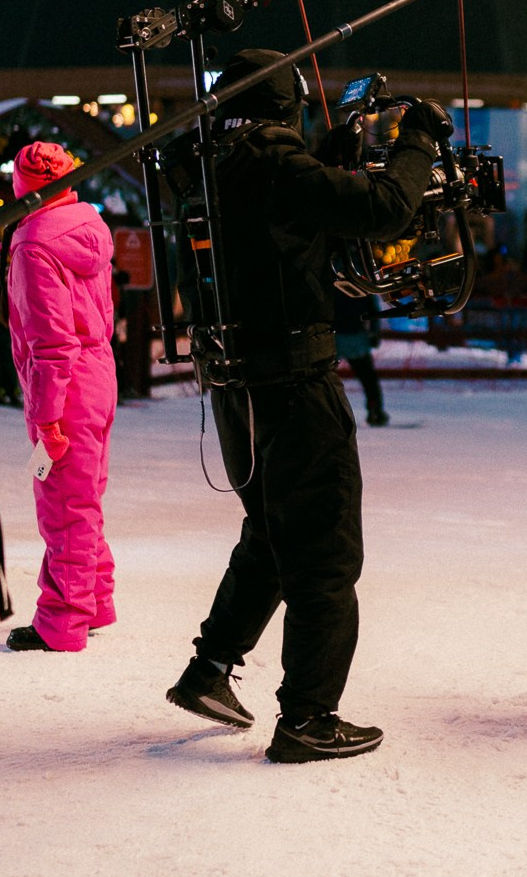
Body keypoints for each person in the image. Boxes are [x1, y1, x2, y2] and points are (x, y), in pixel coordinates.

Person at [163, 48, 448, 762]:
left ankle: (210, 667)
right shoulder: (269, 162)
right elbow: (384, 210)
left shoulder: (208, 162)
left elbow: (283, 215)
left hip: (237, 385)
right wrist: (415, 141)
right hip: (292, 381)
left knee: (271, 528)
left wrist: (332, 152)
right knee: (323, 548)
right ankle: (308, 716)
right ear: (280, 107)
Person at [3, 140, 119, 652]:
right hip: (98, 375)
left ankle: (62, 622)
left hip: (64, 387)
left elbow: (50, 342)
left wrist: (46, 416)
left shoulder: (33, 244)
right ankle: (95, 599)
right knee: (84, 497)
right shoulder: (89, 226)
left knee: (64, 507)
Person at [334, 289, 388, 426]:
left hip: (335, 337)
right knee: (368, 378)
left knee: (324, 379)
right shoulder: (361, 284)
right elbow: (373, 311)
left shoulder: (331, 283)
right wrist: (374, 333)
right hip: (355, 337)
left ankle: (328, 413)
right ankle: (375, 409)